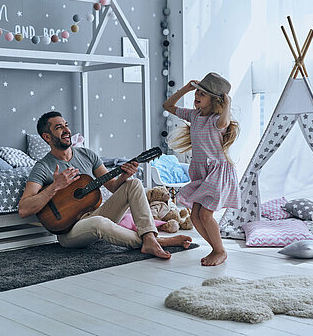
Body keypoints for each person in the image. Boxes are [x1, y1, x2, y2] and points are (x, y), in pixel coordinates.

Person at [18, 111, 192, 259]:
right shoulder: (42, 167)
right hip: (70, 232)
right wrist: (55, 186)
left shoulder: (87, 155)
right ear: (47, 137)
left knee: (134, 183)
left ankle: (149, 239)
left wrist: (123, 176)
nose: (66, 131)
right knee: (98, 222)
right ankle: (155, 240)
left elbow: (114, 187)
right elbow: (24, 209)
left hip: (96, 213)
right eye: (59, 128)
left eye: (66, 125)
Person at [163, 72, 241, 266]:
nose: (196, 96)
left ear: (215, 100)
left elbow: (224, 121)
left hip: (217, 173)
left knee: (205, 215)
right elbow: (168, 106)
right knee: (195, 216)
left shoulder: (217, 120)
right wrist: (186, 88)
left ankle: (220, 250)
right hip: (201, 173)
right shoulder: (194, 115)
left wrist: (227, 103)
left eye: (202, 94)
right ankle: (216, 248)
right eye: (196, 92)